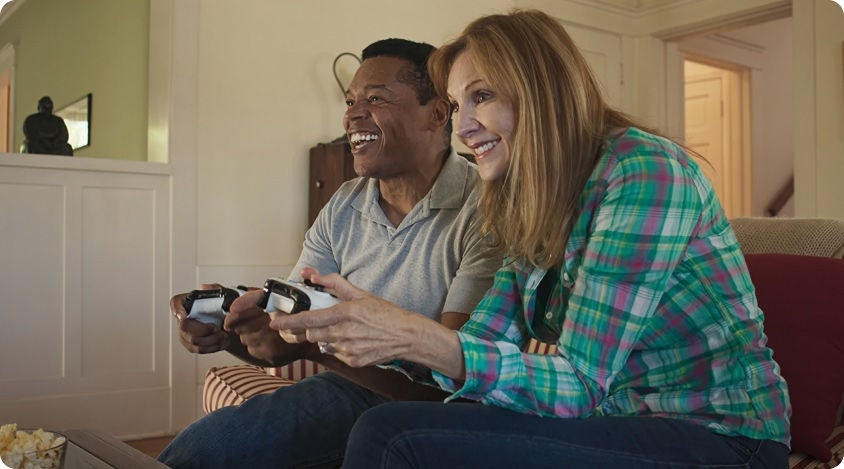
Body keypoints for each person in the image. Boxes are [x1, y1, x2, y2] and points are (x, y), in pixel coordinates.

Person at [273, 10, 792, 468]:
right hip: (614, 420)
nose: (464, 128)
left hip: (722, 437)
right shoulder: (530, 199)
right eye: (459, 105)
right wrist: (365, 328)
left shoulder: (644, 171)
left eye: (483, 96)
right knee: (399, 424)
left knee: (392, 434)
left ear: (542, 89)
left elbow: (580, 385)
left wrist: (411, 334)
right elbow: (481, 346)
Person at [158, 38, 502, 468]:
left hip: (432, 415)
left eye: (375, 98)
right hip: (349, 388)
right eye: (351, 100)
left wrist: (315, 348)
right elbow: (287, 339)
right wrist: (229, 329)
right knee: (202, 448)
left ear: (436, 113)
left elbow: (452, 385)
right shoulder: (344, 204)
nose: (353, 113)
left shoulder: (486, 208)